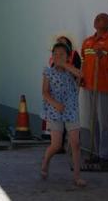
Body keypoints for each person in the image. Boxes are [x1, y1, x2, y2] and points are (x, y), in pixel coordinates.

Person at [40, 42, 86, 187]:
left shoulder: (71, 70)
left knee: (76, 144)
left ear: (68, 56)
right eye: (55, 54)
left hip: (71, 110)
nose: (57, 57)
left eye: (61, 54)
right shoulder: (48, 72)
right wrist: (55, 104)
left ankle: (77, 177)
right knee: (56, 145)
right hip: (55, 111)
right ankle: (46, 162)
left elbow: (81, 75)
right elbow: (45, 92)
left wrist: (65, 65)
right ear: (51, 56)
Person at [81, 13, 108, 170]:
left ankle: (105, 157)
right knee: (93, 122)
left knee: (105, 123)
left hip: (104, 87)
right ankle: (96, 153)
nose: (98, 19)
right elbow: (84, 62)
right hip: (90, 87)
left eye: (102, 18)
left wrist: (103, 58)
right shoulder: (88, 41)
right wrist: (81, 76)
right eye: (97, 17)